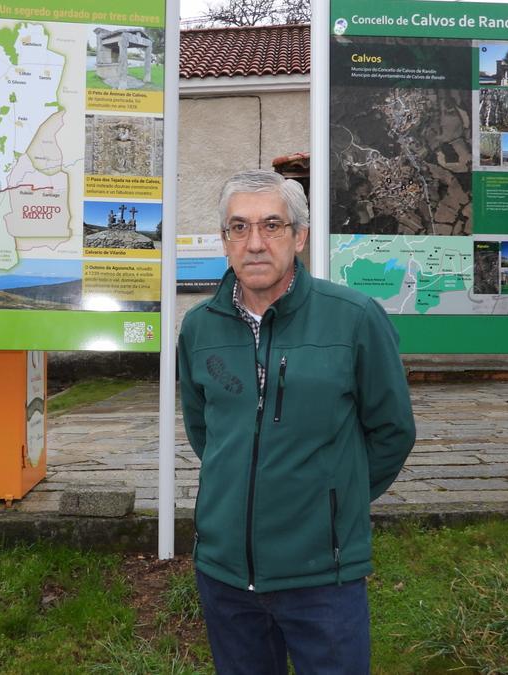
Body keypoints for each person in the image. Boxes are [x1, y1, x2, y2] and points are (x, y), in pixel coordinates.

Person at [177, 169, 417, 674]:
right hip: (225, 576)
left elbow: (392, 431)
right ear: (224, 240)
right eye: (239, 228)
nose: (256, 243)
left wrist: (333, 498)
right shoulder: (199, 327)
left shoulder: (353, 318)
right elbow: (206, 432)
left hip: (321, 577)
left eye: (272, 225)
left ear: (300, 236)